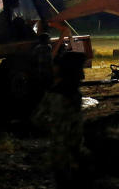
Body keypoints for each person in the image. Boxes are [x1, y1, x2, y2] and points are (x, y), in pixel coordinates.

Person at [31, 51, 85, 188]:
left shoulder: (63, 92)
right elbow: (38, 118)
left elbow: (38, 118)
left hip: (67, 151)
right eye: (80, 69)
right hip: (65, 153)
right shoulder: (64, 94)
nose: (83, 73)